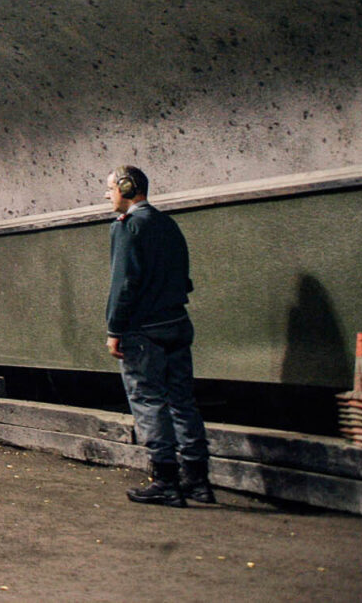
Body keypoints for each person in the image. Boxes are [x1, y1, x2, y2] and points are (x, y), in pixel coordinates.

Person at [104, 165, 212, 506]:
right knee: (182, 402)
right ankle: (197, 480)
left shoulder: (128, 227)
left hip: (143, 331)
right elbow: (184, 278)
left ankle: (164, 480)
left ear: (126, 187)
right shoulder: (168, 223)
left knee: (148, 401)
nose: (108, 194)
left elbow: (124, 284)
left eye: (110, 188)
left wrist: (114, 329)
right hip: (177, 323)